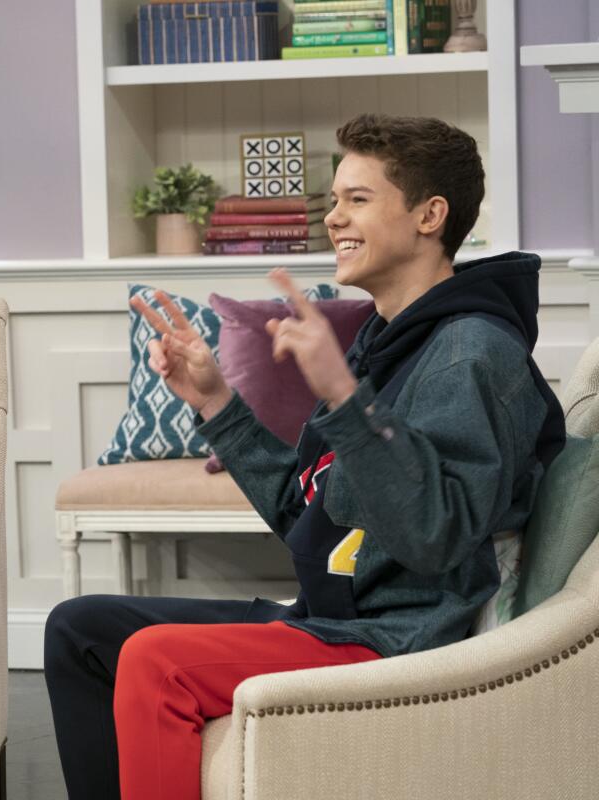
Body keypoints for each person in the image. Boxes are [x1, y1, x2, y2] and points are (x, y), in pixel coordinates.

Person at [43, 113, 566, 800]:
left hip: (393, 637)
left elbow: (436, 536)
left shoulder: (471, 353)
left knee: (156, 661)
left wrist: (345, 397)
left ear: (429, 215)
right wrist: (215, 403)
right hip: (329, 612)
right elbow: (305, 510)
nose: (333, 218)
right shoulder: (389, 338)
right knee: (78, 629)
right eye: (333, 198)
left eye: (358, 199)